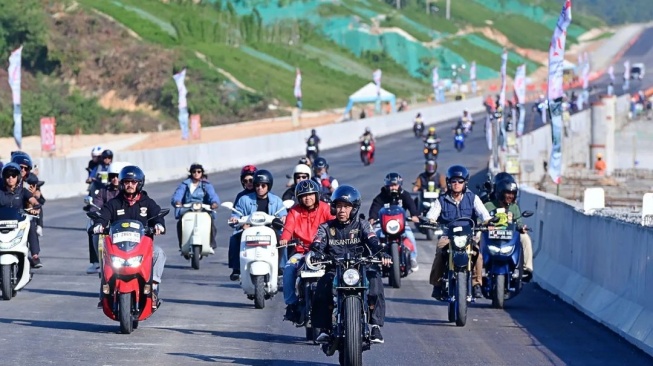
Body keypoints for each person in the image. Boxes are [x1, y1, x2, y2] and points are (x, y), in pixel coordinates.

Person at [310, 185, 392, 344]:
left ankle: (375, 326)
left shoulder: (363, 225)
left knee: (375, 281)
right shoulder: (326, 227)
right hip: (335, 269)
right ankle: (324, 329)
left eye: (346, 207)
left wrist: (382, 253)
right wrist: (317, 253)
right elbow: (318, 242)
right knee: (321, 287)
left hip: (360, 268)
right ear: (334, 208)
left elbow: (373, 240)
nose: (342, 210)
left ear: (354, 208)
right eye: (339, 206)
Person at [91, 165, 167, 309]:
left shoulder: (146, 202)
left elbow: (157, 215)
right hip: (118, 248)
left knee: (159, 253)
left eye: (133, 182)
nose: (130, 185)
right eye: (127, 182)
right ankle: (104, 292)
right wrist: (99, 224)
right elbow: (103, 215)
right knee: (104, 255)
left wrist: (159, 225)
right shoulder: (114, 203)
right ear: (122, 183)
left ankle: (154, 288)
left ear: (139, 183)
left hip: (141, 247)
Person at [426, 165, 492, 299]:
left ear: (465, 183)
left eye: (460, 181)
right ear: (449, 183)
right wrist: (430, 221)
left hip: (468, 236)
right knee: (439, 254)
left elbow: (484, 215)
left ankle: (476, 284)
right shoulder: (441, 200)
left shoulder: (473, 198)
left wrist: (488, 222)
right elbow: (431, 215)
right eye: (454, 181)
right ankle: (437, 285)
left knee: (477, 255)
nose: (457, 184)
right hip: (448, 236)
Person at [279, 179, 334, 323]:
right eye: (304, 195)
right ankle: (291, 305)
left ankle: (337, 302)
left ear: (316, 195)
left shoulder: (325, 208)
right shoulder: (294, 211)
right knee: (289, 269)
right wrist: (284, 238)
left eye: (310, 194)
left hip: (323, 252)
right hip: (301, 252)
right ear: (299, 197)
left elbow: (333, 224)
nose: (307, 198)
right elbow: (288, 227)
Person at [227, 169, 287, 281]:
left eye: (263, 185)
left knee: (282, 240)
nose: (260, 188)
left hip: (270, 230)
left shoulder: (277, 200)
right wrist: (236, 220)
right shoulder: (244, 200)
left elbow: (283, 213)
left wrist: (284, 218)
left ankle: (281, 268)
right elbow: (236, 213)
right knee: (235, 238)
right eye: (257, 185)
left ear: (268, 186)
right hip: (249, 230)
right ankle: (236, 268)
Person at [484, 177, 533, 281]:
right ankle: (477, 268)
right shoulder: (488, 205)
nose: (511, 196)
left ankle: (526, 268)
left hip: (508, 236)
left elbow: (519, 222)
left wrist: (522, 227)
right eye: (508, 193)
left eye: (513, 193)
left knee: (525, 238)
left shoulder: (514, 207)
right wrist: (486, 225)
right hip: (490, 235)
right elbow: (480, 219)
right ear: (500, 193)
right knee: (477, 236)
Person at [368, 173, 420, 270]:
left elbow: (411, 205)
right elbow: (375, 207)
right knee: (374, 236)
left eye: (395, 185)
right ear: (387, 185)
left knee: (410, 236)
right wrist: (372, 218)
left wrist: (414, 215)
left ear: (400, 185)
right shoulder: (381, 196)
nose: (393, 187)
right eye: (391, 185)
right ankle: (373, 259)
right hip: (383, 224)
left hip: (401, 223)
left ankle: (413, 258)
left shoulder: (404, 195)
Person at [86, 162, 126, 274]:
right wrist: (95, 213)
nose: (114, 179)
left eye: (117, 176)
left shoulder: (128, 192)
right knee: (92, 228)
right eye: (112, 176)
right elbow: (95, 206)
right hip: (108, 225)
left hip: (126, 225)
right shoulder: (104, 192)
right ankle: (97, 262)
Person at [0, 163, 43, 268]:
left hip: (19, 221)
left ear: (18, 177)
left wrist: (35, 208)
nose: (10, 178)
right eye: (7, 176)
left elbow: (34, 201)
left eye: (13, 176)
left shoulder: (23, 191)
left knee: (31, 224)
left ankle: (35, 255)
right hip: (1, 222)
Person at [171, 163, 220, 252]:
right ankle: (182, 244)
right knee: (180, 223)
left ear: (202, 173)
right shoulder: (185, 184)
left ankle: (211, 242)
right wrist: (177, 201)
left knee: (210, 222)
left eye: (199, 171)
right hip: (188, 208)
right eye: (194, 171)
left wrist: (214, 203)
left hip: (203, 208)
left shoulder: (206, 184)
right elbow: (178, 194)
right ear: (191, 173)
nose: (196, 173)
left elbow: (212, 195)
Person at [25, 173, 45, 237]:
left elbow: (42, 201)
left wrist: (36, 197)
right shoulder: (22, 190)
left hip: (31, 218)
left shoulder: (36, 189)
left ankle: (39, 226)